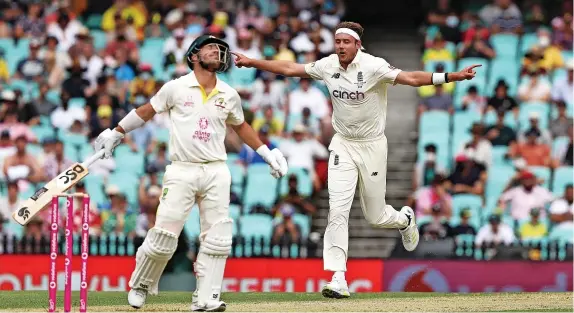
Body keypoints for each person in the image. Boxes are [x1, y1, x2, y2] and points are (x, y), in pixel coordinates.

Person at [232, 21, 481, 298]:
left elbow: (410, 78)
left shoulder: (373, 66)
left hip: (373, 145)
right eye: (337, 42)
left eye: (346, 42)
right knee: (337, 210)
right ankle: (338, 277)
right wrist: (252, 62)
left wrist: (450, 77)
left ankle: (403, 220)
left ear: (357, 45)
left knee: (375, 216)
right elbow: (291, 69)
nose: (340, 47)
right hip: (342, 144)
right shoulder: (328, 66)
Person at [94, 35, 288, 312]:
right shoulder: (176, 87)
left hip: (217, 170)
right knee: (164, 236)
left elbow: (241, 126)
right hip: (182, 169)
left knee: (218, 237)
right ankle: (141, 285)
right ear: (194, 56)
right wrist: (117, 132)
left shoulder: (229, 94)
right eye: (210, 48)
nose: (217, 52)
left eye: (220, 49)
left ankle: (206, 298)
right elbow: (147, 111)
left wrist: (267, 153)